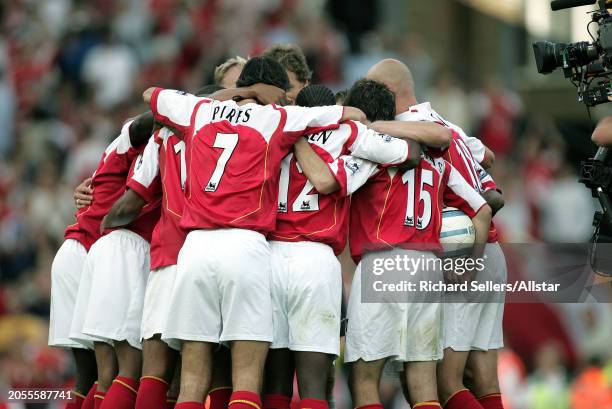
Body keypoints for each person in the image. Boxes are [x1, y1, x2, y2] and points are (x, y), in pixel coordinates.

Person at [143, 56, 366, 409]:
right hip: (245, 247)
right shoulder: (277, 118)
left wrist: (237, 93)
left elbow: (151, 93)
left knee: (191, 382)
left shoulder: (197, 110)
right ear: (274, 91)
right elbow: (348, 115)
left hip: (195, 249)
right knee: (247, 376)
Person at [263, 81, 450, 409]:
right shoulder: (356, 141)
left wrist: (295, 137)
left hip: (285, 255)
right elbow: (416, 154)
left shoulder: (272, 136)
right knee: (420, 380)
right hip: (421, 261)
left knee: (353, 377)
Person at [100, 83, 287, 409]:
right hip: (238, 251)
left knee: (161, 373)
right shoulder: (260, 130)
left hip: (177, 253)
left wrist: (100, 223)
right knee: (229, 373)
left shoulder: (165, 134)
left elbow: (136, 194)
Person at [338, 76, 492, 409]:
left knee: (364, 378)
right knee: (423, 384)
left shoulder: (368, 147)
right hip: (428, 268)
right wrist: (469, 265)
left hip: (384, 264)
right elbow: (482, 210)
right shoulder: (435, 160)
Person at [57, 113, 155, 409]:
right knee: (124, 371)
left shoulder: (127, 154)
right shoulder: (138, 141)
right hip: (101, 248)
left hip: (88, 250)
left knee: (94, 376)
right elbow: (141, 124)